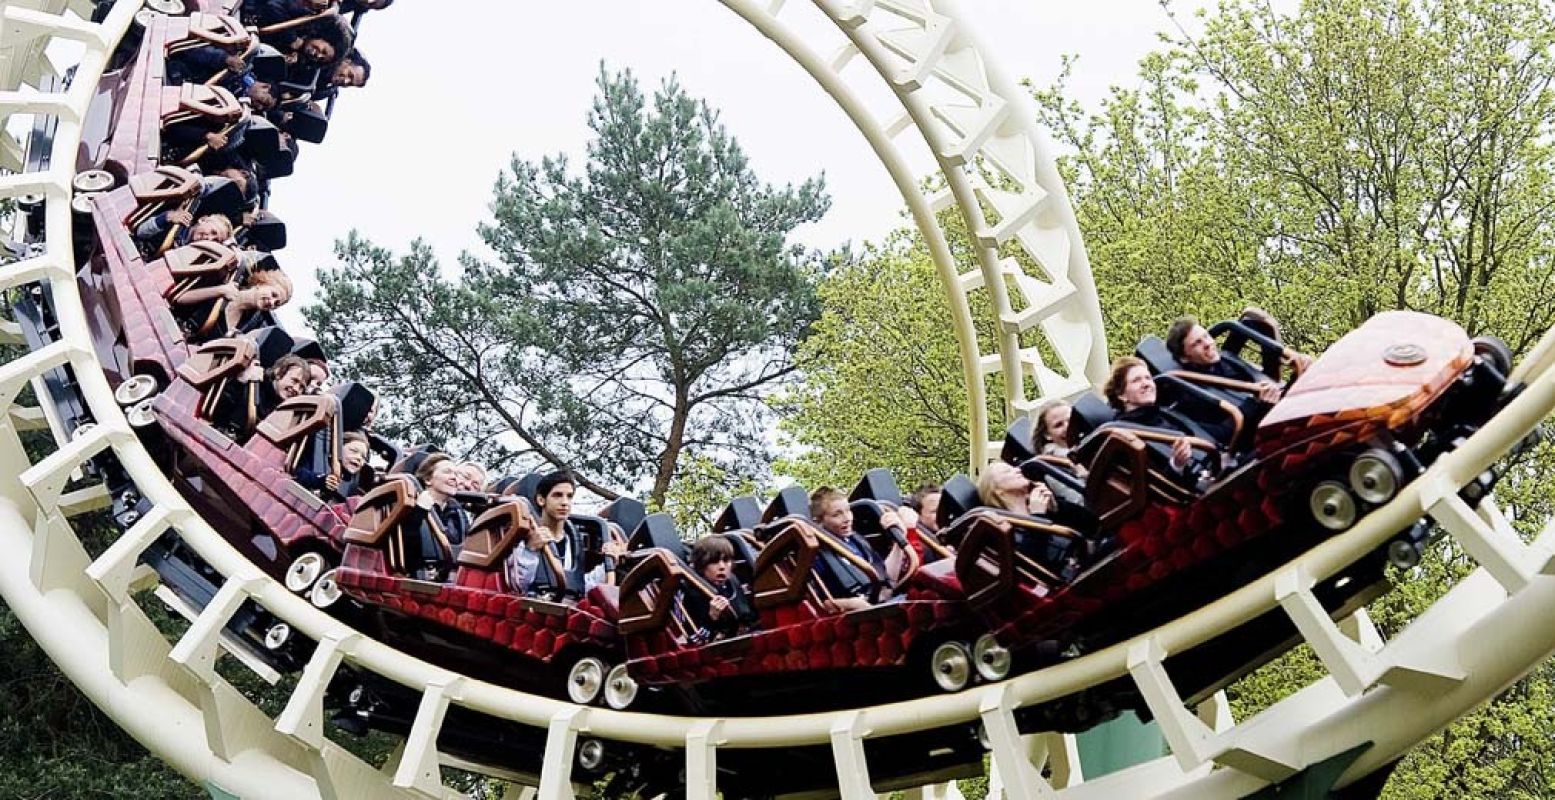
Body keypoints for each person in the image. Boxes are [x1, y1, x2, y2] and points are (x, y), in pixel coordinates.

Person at [502, 471, 627, 598]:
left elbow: (581, 586)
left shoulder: (574, 541)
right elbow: (518, 585)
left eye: (569, 496)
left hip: (567, 608)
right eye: (557, 495)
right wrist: (530, 550)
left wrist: (609, 562)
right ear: (541, 500)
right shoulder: (526, 534)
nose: (565, 502)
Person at [1102, 356, 1220, 482]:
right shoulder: (1126, 434)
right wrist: (1176, 465)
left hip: (1214, 465)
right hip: (1191, 488)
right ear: (1122, 395)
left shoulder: (1164, 412)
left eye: (1148, 378)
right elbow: (1148, 484)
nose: (1146, 384)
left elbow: (1211, 434)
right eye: (1136, 380)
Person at [808, 487, 905, 613]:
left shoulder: (857, 541)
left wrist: (899, 544)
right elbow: (817, 603)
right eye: (836, 514)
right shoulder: (818, 555)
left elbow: (888, 578)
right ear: (818, 521)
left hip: (880, 602)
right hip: (853, 615)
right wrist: (851, 603)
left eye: (848, 511)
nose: (847, 518)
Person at [679, 536, 757, 642]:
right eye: (714, 562)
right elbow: (690, 641)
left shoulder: (733, 582)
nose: (721, 566)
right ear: (701, 566)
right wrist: (711, 618)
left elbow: (749, 619)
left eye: (726, 561)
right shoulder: (690, 593)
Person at [976, 462, 1055, 516]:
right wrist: (1038, 514)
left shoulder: (1036, 506)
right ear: (998, 491)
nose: (1018, 470)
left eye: (1013, 468)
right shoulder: (1004, 524)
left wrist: (1054, 507)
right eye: (1007, 471)